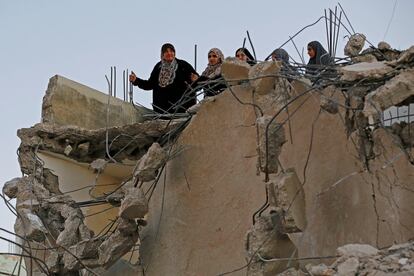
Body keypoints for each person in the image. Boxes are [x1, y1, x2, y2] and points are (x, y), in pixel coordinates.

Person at [129, 43, 198, 114]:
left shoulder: (183, 65)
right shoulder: (158, 67)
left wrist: (195, 80)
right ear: (162, 54)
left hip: (181, 110)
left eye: (171, 51)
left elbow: (197, 84)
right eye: (166, 51)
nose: (169, 53)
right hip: (162, 111)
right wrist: (136, 80)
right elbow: (149, 84)